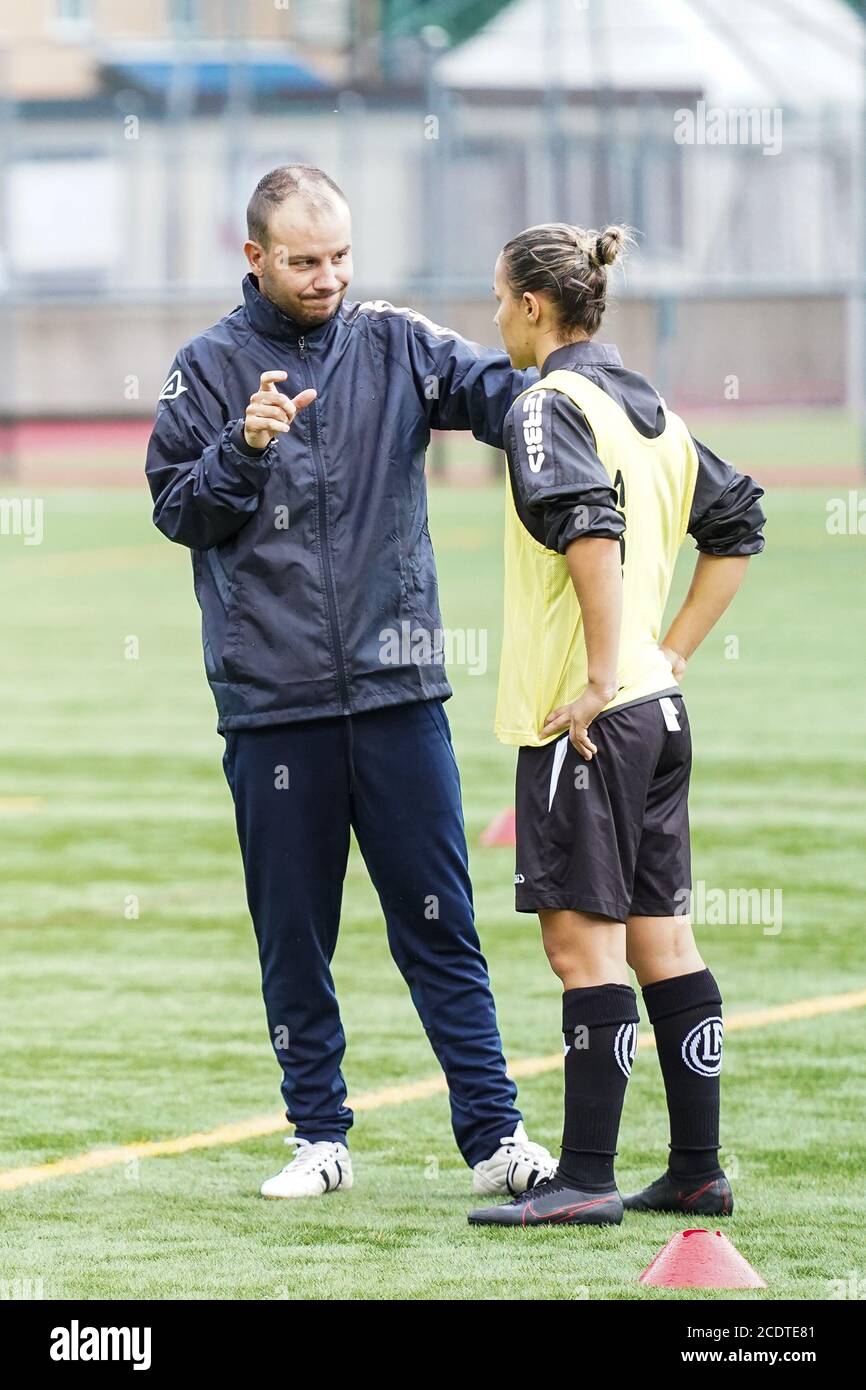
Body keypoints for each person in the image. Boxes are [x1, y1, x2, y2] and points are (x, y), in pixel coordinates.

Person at [145, 164, 556, 1200]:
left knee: (439, 921)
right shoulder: (203, 370)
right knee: (294, 929)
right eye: (301, 261)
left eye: (338, 258)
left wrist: (574, 380)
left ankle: (495, 1136)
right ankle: (317, 1137)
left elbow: (505, 397)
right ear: (254, 258)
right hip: (270, 701)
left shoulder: (397, 343)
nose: (325, 277)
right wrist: (241, 450)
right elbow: (176, 510)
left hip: (397, 689)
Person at [468, 222, 766, 1227]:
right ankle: (694, 1168)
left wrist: (598, 676)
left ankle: (583, 1176)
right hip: (660, 712)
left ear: (534, 307)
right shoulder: (650, 412)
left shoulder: (545, 404)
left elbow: (587, 525)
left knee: (579, 951)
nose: (494, 314)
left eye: (499, 297)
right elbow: (737, 523)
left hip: (586, 720)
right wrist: (665, 651)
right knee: (661, 941)